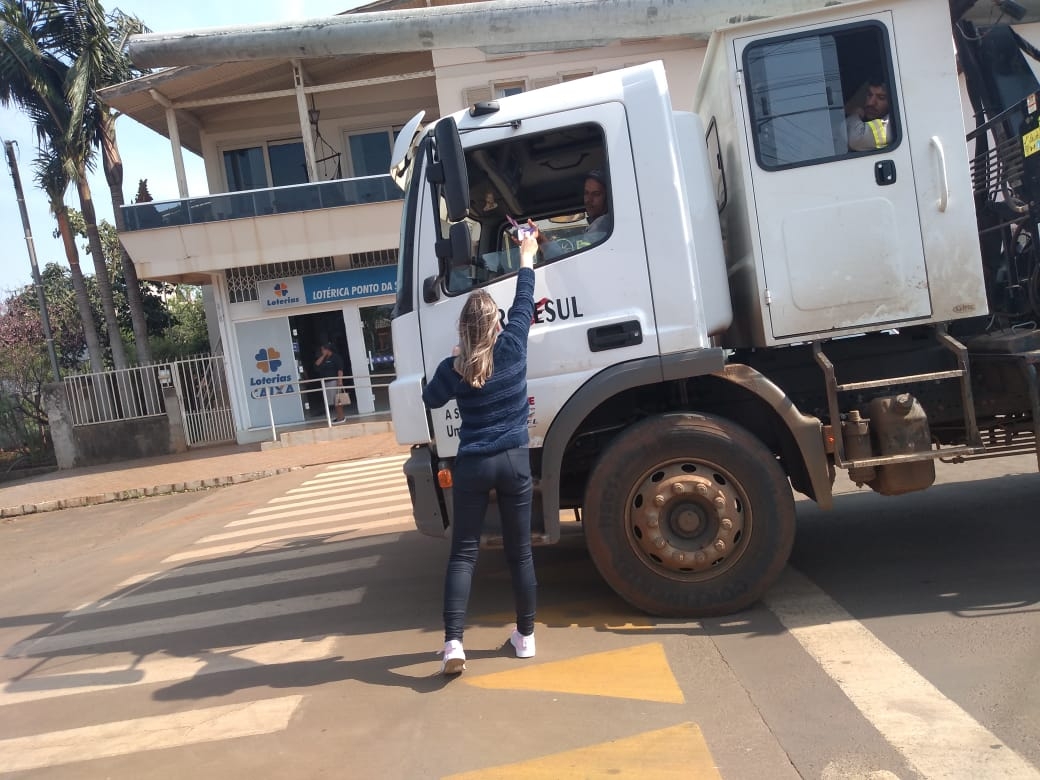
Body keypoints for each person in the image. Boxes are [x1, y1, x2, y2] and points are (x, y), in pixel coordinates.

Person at [422, 229, 539, 676]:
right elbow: (525, 298)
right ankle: (525, 637)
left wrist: (456, 359)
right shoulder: (512, 346)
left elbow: (431, 399)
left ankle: (454, 644)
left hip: (472, 463)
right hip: (514, 460)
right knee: (520, 553)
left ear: (463, 329)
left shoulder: (455, 367)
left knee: (463, 555)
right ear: (497, 324)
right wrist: (526, 253)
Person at [845, 79, 891, 152]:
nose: (870, 103)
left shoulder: (893, 123)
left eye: (881, 97)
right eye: (869, 95)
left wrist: (855, 115)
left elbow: (857, 141)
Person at [313, 342, 346, 423]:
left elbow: (340, 370)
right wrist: (323, 356)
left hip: (334, 381)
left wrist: (340, 381)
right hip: (326, 382)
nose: (322, 351)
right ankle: (338, 416)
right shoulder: (324, 358)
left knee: (337, 400)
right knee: (333, 401)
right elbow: (317, 364)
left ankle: (341, 417)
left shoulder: (335, 357)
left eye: (323, 350)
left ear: (327, 349)